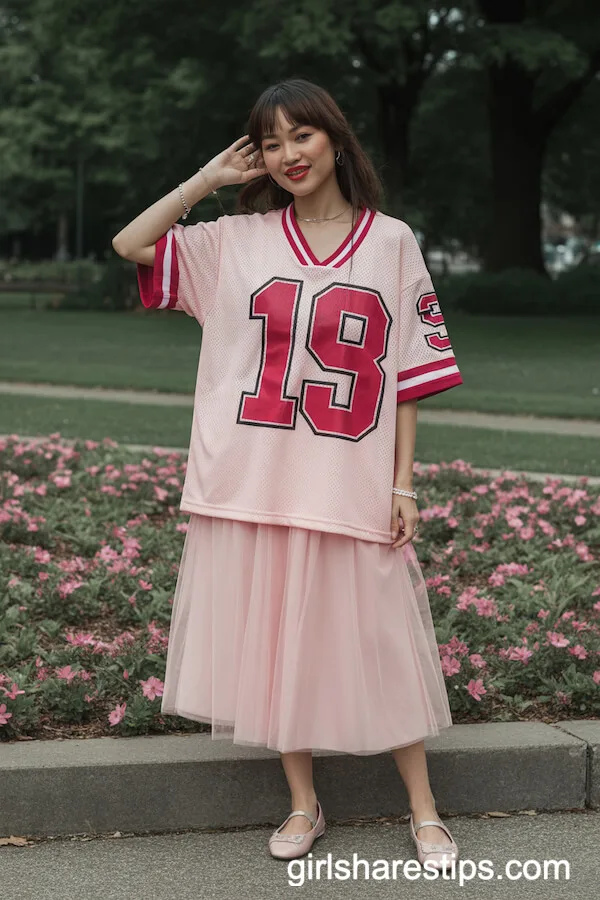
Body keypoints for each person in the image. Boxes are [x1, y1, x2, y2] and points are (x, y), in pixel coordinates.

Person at [112, 77, 463, 869]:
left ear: (335, 139)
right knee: (279, 653)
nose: (287, 154)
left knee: (380, 644)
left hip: (348, 483)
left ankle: (425, 809)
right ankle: (304, 805)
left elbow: (410, 376)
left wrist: (403, 482)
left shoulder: (391, 242)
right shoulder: (236, 238)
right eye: (271, 142)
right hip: (254, 481)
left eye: (300, 136)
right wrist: (206, 181)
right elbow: (132, 245)